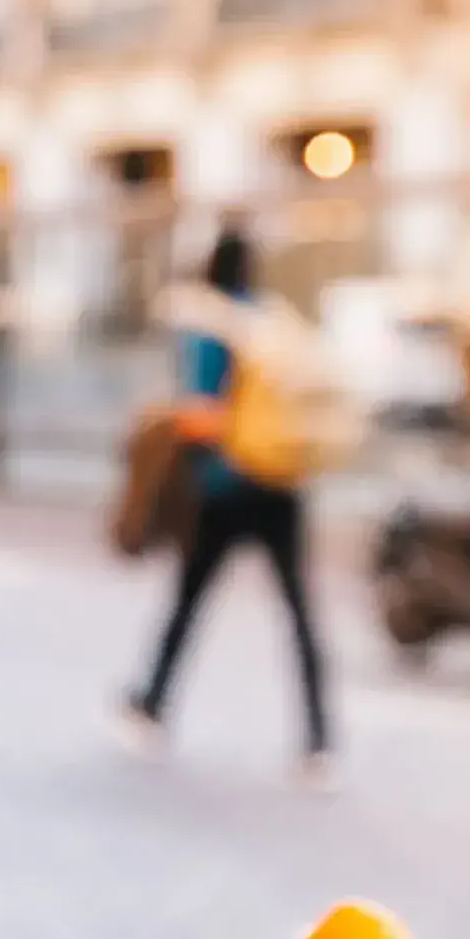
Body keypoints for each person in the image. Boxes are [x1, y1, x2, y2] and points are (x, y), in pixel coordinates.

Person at [121, 226, 334, 784]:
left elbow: (203, 412)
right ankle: (319, 739)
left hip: (225, 487)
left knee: (189, 601)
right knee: (300, 613)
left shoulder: (212, 327)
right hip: (283, 486)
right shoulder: (272, 322)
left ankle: (152, 702)